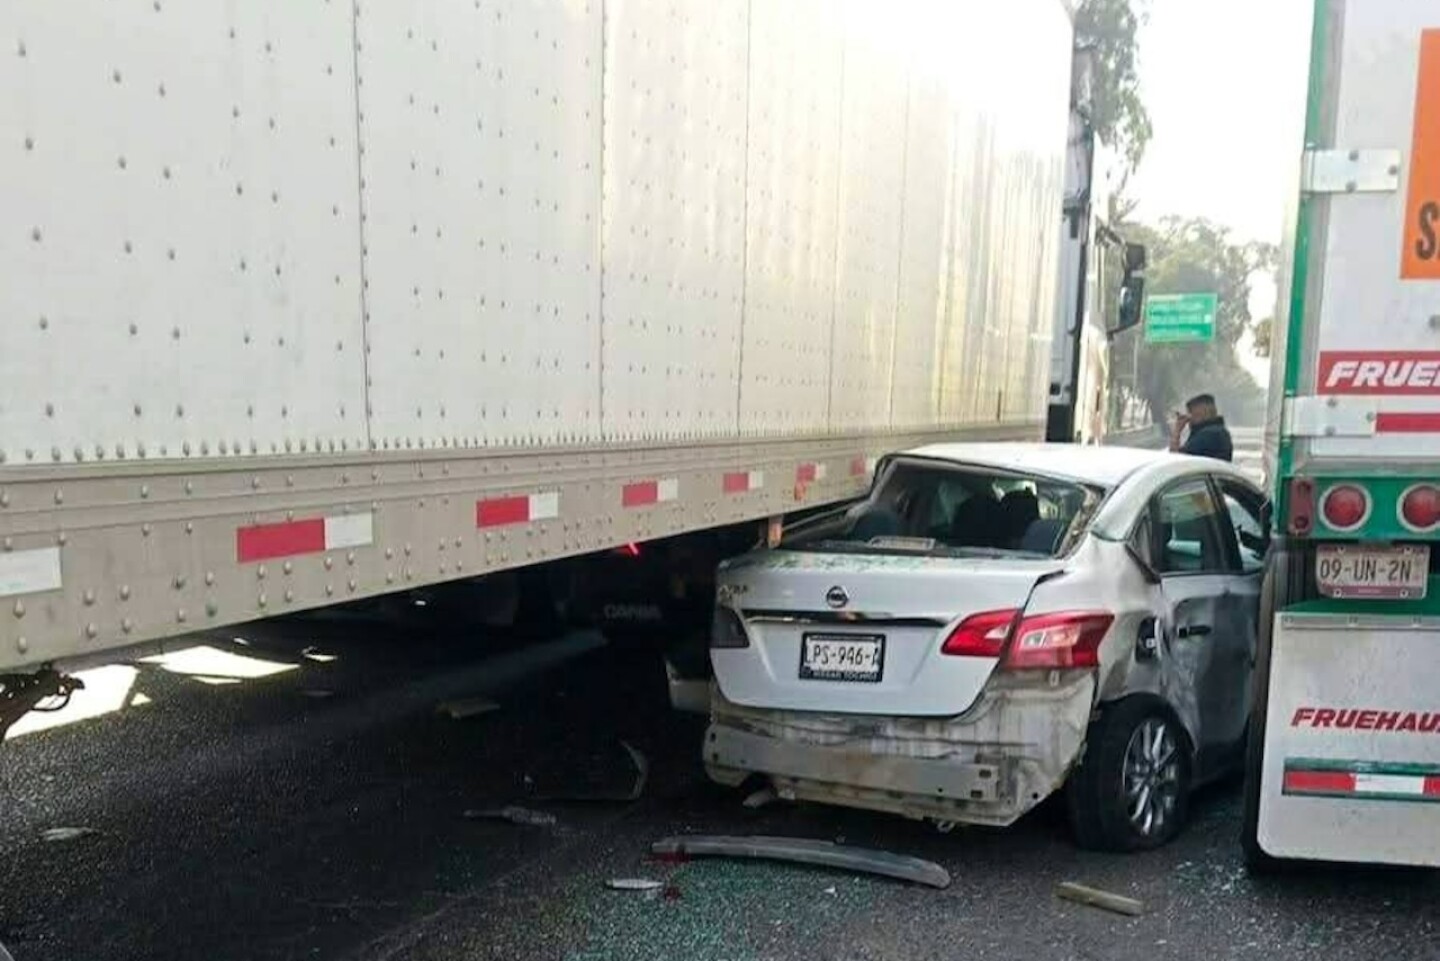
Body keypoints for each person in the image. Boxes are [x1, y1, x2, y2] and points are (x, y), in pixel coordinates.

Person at [1169, 393, 1234, 462]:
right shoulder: (1219, 432)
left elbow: (1175, 459)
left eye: (1191, 412)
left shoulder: (1209, 435)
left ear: (1204, 412)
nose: (1189, 417)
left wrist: (1177, 430)